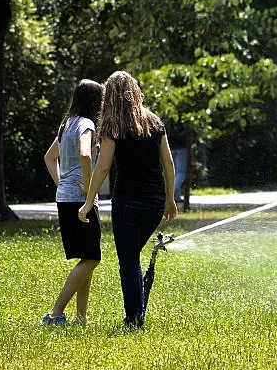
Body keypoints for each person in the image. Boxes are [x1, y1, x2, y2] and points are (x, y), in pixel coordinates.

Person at [78, 71, 178, 328]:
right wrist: (170, 199)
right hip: (155, 203)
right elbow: (168, 163)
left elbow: (102, 167)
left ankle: (134, 319)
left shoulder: (113, 126)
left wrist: (88, 203)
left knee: (129, 261)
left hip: (128, 204)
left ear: (109, 97)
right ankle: (137, 313)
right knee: (132, 256)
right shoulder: (154, 122)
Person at [41, 79, 104, 325]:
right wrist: (89, 189)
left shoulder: (66, 125)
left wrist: (62, 184)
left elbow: (49, 158)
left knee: (87, 258)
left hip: (65, 198)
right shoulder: (87, 125)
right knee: (92, 258)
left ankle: (81, 317)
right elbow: (85, 154)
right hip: (80, 201)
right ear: (94, 102)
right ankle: (55, 314)